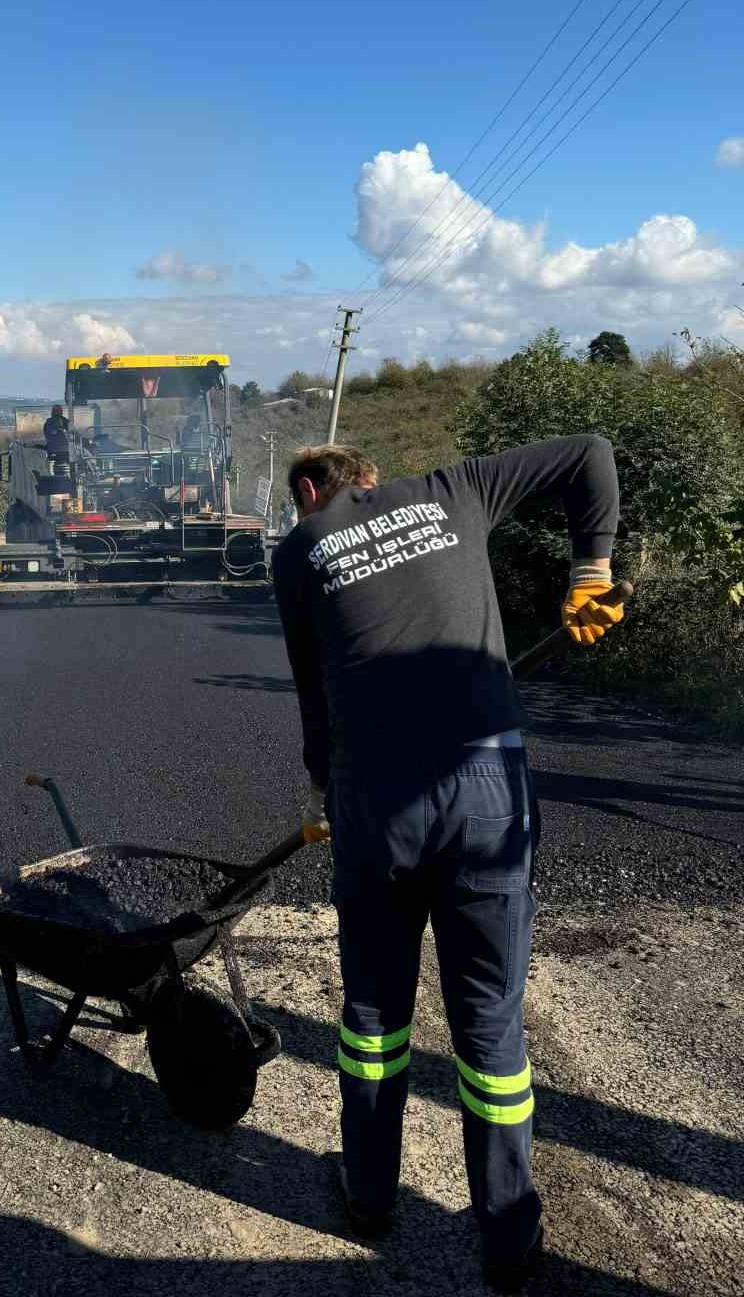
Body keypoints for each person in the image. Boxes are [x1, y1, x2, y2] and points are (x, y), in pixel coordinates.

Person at [272, 437, 624, 1293]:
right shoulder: (457, 489)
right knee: (490, 1027)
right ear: (369, 475)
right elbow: (589, 454)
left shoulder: (300, 549)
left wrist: (327, 788)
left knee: (372, 1018)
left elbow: (315, 695)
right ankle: (507, 1239)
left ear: (312, 488)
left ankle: (368, 1199)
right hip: (487, 786)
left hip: (376, 796)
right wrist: (592, 571)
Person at [42, 405, 69, 473]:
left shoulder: (48, 423)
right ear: (61, 412)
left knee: (57, 470)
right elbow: (73, 432)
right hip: (64, 451)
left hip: (52, 451)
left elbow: (47, 435)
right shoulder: (64, 421)